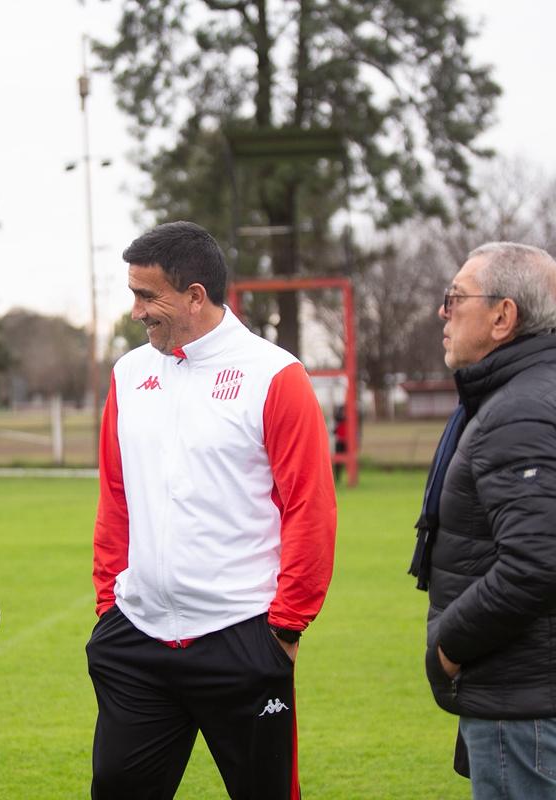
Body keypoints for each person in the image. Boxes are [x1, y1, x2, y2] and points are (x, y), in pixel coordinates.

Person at [88, 221, 337, 799]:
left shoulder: (275, 375)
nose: (135, 311)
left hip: (242, 637)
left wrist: (285, 626)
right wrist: (109, 605)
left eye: (147, 296)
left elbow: (310, 508)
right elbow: (116, 497)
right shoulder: (129, 373)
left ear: (195, 296)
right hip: (138, 638)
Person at [409, 242, 556, 800]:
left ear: (502, 316)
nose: (443, 312)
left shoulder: (523, 408)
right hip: (546, 689)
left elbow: (537, 566)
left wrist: (448, 647)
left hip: (524, 697)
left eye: (455, 298)